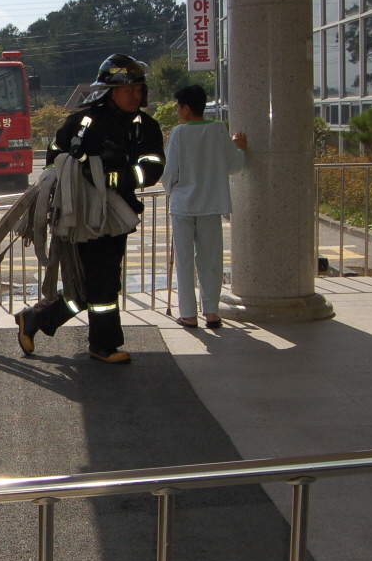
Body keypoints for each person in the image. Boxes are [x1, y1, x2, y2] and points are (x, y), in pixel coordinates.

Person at [15, 54, 165, 363]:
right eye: (129, 90)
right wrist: (77, 174)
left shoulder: (145, 127)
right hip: (81, 216)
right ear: (110, 91)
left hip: (118, 215)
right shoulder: (82, 122)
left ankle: (36, 318)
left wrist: (116, 176)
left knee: (91, 285)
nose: (136, 96)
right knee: (102, 281)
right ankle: (103, 345)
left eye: (139, 89)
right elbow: (54, 157)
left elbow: (152, 168)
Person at [161, 84, 246, 329]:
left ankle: (188, 314)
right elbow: (234, 165)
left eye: (178, 107)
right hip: (211, 204)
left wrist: (172, 191)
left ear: (186, 108)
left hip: (182, 205)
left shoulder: (179, 133)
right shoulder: (219, 129)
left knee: (184, 261)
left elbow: (170, 172)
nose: (178, 111)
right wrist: (240, 148)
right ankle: (211, 312)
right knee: (210, 260)